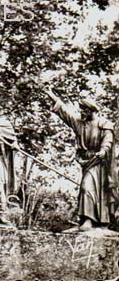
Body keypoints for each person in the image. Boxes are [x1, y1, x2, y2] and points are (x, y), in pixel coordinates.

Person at [46, 88, 116, 231]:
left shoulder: (105, 124)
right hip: (87, 162)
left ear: (91, 110)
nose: (81, 112)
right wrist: (51, 95)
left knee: (88, 187)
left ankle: (91, 221)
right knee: (87, 189)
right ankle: (87, 220)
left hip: (99, 163)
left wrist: (103, 151)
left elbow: (108, 141)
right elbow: (65, 113)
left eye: (84, 109)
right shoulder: (81, 124)